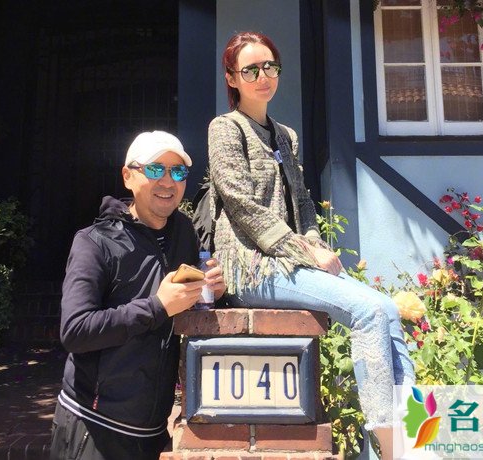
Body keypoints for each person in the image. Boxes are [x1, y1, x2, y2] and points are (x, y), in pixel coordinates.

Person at [207, 31, 414, 460]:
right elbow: (241, 203)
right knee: (368, 310)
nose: (263, 76)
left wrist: (315, 243)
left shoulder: (286, 136)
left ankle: (407, 437)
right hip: (251, 267)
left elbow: (302, 204)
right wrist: (305, 252)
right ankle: (392, 449)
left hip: (290, 263)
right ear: (232, 78)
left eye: (270, 66)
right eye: (250, 70)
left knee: (387, 309)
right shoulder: (226, 128)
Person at [50, 130, 226, 460]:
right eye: (155, 169)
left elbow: (183, 308)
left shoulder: (184, 233)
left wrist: (211, 290)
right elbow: (75, 331)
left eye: (177, 172)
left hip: (153, 431)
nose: (168, 181)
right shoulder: (94, 242)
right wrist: (158, 306)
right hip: (94, 427)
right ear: (128, 176)